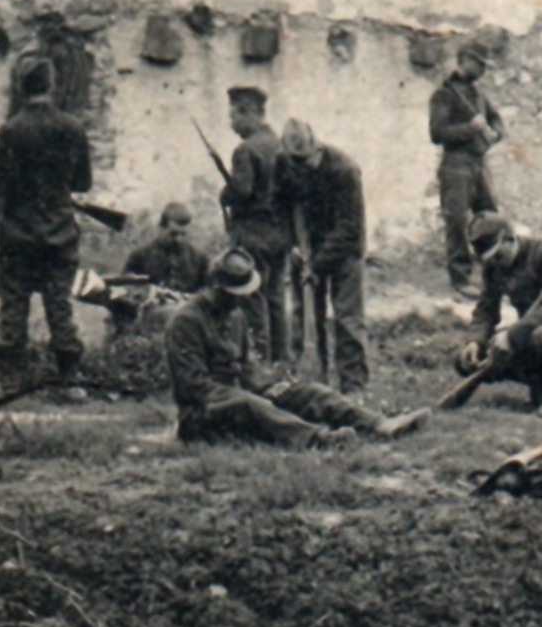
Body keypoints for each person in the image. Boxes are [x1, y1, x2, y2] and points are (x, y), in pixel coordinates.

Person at [166, 249, 430, 447]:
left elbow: (247, 368)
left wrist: (268, 386)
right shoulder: (186, 321)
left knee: (305, 391)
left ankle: (377, 423)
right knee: (252, 404)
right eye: (234, 294)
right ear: (214, 287)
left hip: (238, 397)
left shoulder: (235, 315)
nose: (242, 300)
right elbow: (194, 386)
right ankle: (320, 440)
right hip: (202, 415)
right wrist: (250, 394)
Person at [0, 56, 93, 397]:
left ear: (20, 87)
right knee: (60, 306)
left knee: (13, 306)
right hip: (60, 233)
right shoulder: (72, 128)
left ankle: (9, 382)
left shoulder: (11, 129)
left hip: (18, 234)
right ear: (52, 85)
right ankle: (69, 381)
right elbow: (83, 183)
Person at [454, 212, 542, 417]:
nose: (495, 263)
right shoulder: (493, 267)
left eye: (499, 256)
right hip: (530, 331)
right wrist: (476, 341)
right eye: (489, 259)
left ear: (510, 239)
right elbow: (486, 309)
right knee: (466, 359)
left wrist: (512, 334)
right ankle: (539, 380)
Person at [274, 119, 369, 393]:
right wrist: (290, 242)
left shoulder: (344, 169)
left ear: (317, 148)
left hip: (344, 249)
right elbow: (277, 204)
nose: (301, 167)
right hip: (305, 248)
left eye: (305, 160)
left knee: (347, 319)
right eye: (295, 161)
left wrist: (315, 265)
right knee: (304, 316)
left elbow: (350, 228)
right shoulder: (283, 163)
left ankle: (354, 387)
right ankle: (312, 384)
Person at [220, 85, 291, 364]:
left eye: (234, 116)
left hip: (252, 234)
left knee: (253, 297)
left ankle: (260, 359)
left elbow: (242, 192)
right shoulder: (280, 144)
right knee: (276, 298)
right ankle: (281, 361)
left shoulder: (245, 150)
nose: (232, 124)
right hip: (279, 234)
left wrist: (224, 194)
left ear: (249, 113)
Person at [430, 43, 506, 299]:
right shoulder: (444, 94)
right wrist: (470, 128)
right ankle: (460, 280)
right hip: (456, 165)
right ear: (464, 60)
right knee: (457, 221)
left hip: (478, 163)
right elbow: (437, 133)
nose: (483, 69)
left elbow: (496, 120)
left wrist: (495, 134)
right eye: (479, 63)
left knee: (490, 216)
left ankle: (495, 274)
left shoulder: (478, 94)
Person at [123, 202, 209, 294]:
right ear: (161, 228)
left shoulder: (199, 258)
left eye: (183, 234)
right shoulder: (139, 256)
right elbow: (126, 288)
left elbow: (208, 292)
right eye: (173, 234)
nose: (179, 239)